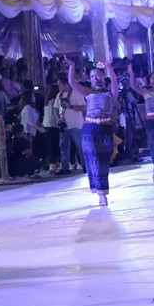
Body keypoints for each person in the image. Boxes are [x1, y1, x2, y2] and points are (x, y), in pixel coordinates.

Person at [63, 55, 118, 207]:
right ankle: (101, 193)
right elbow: (71, 82)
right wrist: (72, 66)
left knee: (103, 161)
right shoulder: (88, 93)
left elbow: (115, 82)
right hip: (90, 129)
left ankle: (102, 190)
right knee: (93, 160)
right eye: (92, 76)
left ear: (103, 77)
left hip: (105, 128)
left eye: (97, 75)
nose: (95, 78)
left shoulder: (111, 93)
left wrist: (108, 66)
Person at [54, 73, 86, 175]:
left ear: (66, 84)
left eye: (60, 85)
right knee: (63, 146)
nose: (58, 87)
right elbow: (56, 109)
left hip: (76, 125)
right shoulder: (59, 95)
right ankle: (65, 167)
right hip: (64, 125)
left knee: (80, 146)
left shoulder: (76, 93)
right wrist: (58, 119)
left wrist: (71, 106)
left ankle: (85, 165)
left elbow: (84, 108)